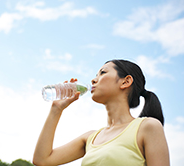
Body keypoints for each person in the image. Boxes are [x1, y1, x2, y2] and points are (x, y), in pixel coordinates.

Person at [33, 59, 170, 166]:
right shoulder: (90, 138)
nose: (93, 80)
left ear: (125, 82)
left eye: (102, 73)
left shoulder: (147, 127)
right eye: (95, 75)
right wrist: (56, 109)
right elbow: (42, 160)